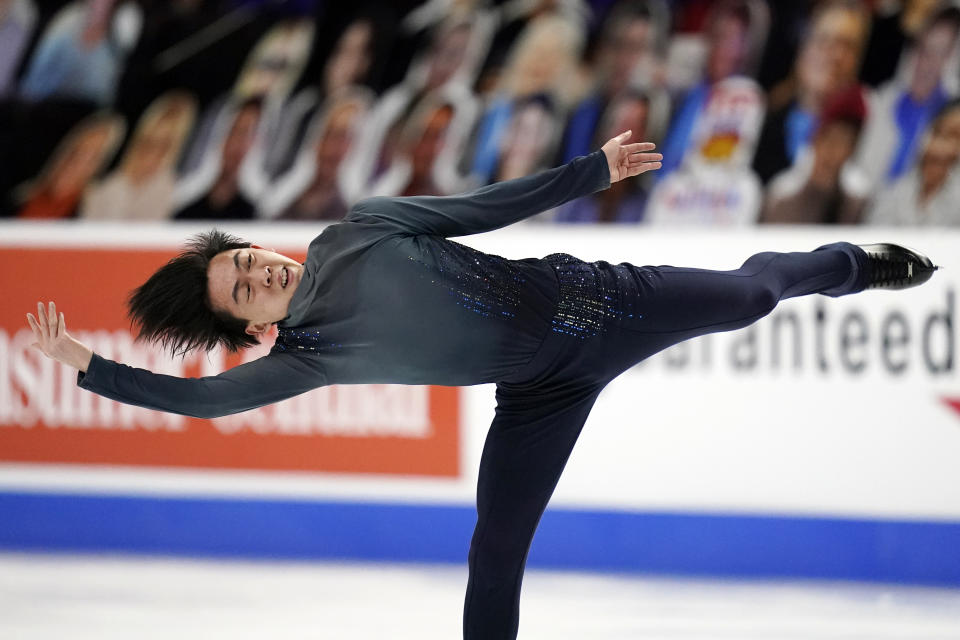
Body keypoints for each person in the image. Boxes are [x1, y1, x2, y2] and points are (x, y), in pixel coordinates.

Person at [25, 132, 938, 640]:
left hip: (591, 301)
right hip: (538, 395)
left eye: (247, 260)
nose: (259, 272)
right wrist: (89, 369)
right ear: (249, 327)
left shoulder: (363, 229)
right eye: (242, 289)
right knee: (494, 551)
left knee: (746, 295)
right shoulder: (304, 360)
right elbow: (197, 403)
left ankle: (846, 261)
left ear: (259, 247)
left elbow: (485, 207)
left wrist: (591, 172)